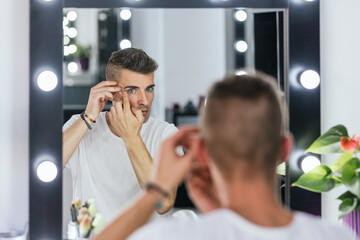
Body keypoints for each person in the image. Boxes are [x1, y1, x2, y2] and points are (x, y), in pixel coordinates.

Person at [94, 71, 355, 240]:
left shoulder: (173, 237)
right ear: (285, 149)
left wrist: (156, 189)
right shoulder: (334, 236)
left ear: (202, 153)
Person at [62, 48, 177, 223]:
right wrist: (88, 116)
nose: (144, 100)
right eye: (132, 90)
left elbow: (163, 203)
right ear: (111, 91)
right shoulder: (81, 126)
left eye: (149, 89)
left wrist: (131, 136)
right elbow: (48, 166)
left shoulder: (166, 134)